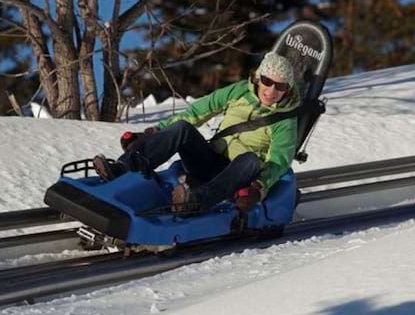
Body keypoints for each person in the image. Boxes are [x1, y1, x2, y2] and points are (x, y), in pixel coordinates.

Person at [92, 51, 300, 213]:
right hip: (208, 161)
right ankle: (124, 168)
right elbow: (198, 111)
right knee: (183, 128)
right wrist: (155, 132)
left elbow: (278, 161)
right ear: (257, 78)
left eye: (280, 86)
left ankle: (195, 201)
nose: (272, 91)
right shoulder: (240, 91)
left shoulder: (286, 120)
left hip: (238, 174)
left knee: (252, 160)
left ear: (287, 89)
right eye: (267, 81)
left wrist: (258, 188)